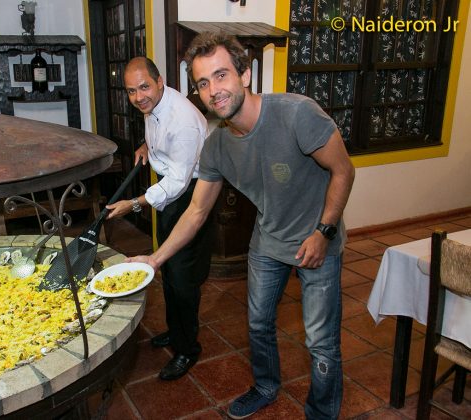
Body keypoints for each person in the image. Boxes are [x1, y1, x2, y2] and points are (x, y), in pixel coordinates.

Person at [127, 33, 355, 419]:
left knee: (320, 341)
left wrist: (325, 232)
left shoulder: (297, 113)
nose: (213, 90)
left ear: (244, 75)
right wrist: (155, 258)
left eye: (221, 76)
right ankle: (266, 386)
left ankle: (322, 412)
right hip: (268, 240)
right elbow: (197, 211)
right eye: (202, 82)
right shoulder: (216, 147)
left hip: (318, 239)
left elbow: (343, 170)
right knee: (259, 325)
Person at [105, 57, 213, 380]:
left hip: (191, 196)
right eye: (131, 91)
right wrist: (145, 147)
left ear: (160, 81)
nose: (139, 97)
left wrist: (134, 204)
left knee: (183, 278)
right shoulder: (153, 108)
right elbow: (159, 138)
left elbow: (178, 181)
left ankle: (187, 349)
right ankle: (174, 331)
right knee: (167, 269)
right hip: (171, 196)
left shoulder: (183, 120)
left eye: (144, 87)